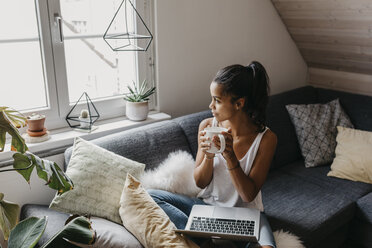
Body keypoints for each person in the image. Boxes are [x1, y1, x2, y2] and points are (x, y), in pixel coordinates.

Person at [148, 61, 277, 248]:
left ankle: (208, 240)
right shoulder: (208, 126)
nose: (210, 105)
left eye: (217, 100)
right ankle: (203, 237)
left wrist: (230, 156)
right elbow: (200, 182)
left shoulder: (266, 139)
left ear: (239, 103)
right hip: (208, 209)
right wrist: (208, 156)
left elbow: (248, 195)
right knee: (153, 195)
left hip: (247, 215)